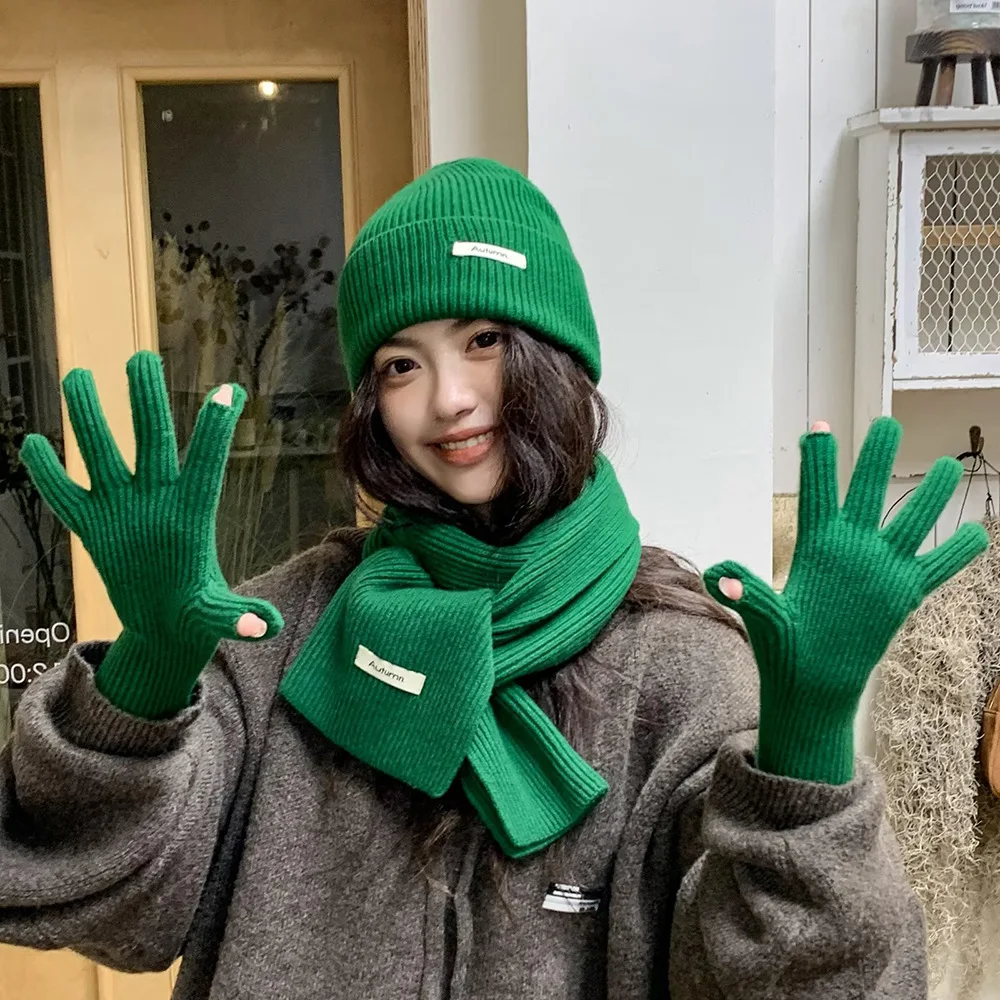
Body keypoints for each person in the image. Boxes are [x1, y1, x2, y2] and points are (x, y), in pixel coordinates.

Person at [0, 158, 985, 999]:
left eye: (481, 341)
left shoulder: (680, 662)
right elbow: (101, 904)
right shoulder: (287, 629)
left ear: (555, 357)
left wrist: (807, 746)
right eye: (399, 364)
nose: (450, 399)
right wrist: (144, 679)